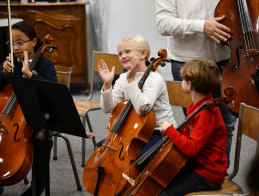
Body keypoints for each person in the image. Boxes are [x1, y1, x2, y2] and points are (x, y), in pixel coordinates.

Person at [155, 0, 237, 169]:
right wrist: (201, 26)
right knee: (194, 125)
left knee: (226, 124)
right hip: (188, 62)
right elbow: (163, 23)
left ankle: (220, 174)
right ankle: (198, 172)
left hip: (227, 59)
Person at [97, 34, 177, 171]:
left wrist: (131, 79)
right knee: (101, 148)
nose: (123, 56)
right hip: (133, 130)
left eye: (128, 51)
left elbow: (143, 108)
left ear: (143, 53)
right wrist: (107, 84)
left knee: (142, 159)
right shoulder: (123, 78)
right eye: (120, 53)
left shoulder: (155, 79)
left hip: (158, 131)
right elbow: (108, 108)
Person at [0, 21, 57, 196]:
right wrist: (3, 74)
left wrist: (30, 75)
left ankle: (38, 184)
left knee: (41, 138)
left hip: (39, 116)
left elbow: (52, 93)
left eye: (20, 42)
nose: (15, 47)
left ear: (33, 42)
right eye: (12, 42)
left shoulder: (45, 66)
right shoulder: (9, 64)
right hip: (11, 117)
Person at [159, 58, 227, 195]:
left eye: (183, 79)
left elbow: (192, 149)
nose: (181, 82)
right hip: (195, 166)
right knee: (162, 184)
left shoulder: (206, 112)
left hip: (208, 173)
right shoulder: (195, 107)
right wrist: (172, 134)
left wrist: (170, 130)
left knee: (167, 194)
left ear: (190, 85)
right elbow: (189, 136)